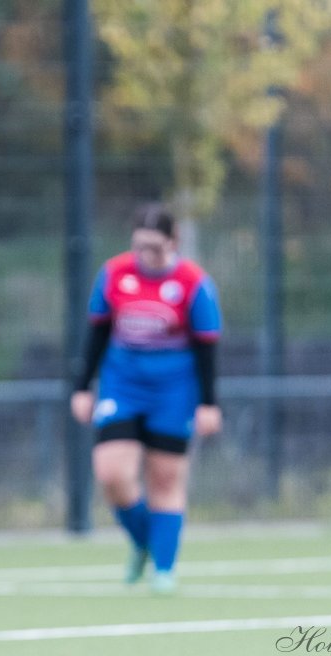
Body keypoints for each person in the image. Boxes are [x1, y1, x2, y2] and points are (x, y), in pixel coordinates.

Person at [70, 203, 223, 593]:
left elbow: (207, 348)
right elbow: (98, 334)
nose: (145, 256)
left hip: (174, 390)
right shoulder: (115, 274)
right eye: (140, 246)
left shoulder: (193, 283)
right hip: (123, 385)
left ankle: (164, 570)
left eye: (155, 247)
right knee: (112, 474)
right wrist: (83, 386)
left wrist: (208, 403)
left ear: (174, 242)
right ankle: (144, 542)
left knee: (165, 477)